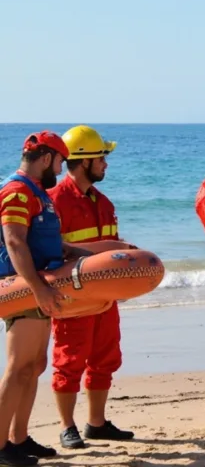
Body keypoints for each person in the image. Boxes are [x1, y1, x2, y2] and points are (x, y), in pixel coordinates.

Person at [0, 131, 94, 466]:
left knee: (34, 366)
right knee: (18, 367)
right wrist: (38, 289)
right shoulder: (17, 191)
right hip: (24, 287)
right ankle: (0, 447)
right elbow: (14, 242)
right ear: (45, 158)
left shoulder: (38, 192)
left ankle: (18, 438)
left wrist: (82, 254)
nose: (61, 166)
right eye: (59, 160)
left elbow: (45, 240)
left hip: (40, 285)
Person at [47, 125, 135, 450]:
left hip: (105, 298)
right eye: (102, 158)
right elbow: (50, 253)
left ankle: (96, 424)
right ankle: (66, 426)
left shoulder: (105, 202)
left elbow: (110, 252)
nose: (106, 164)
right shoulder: (54, 202)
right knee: (69, 360)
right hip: (72, 298)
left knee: (106, 357)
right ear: (84, 162)